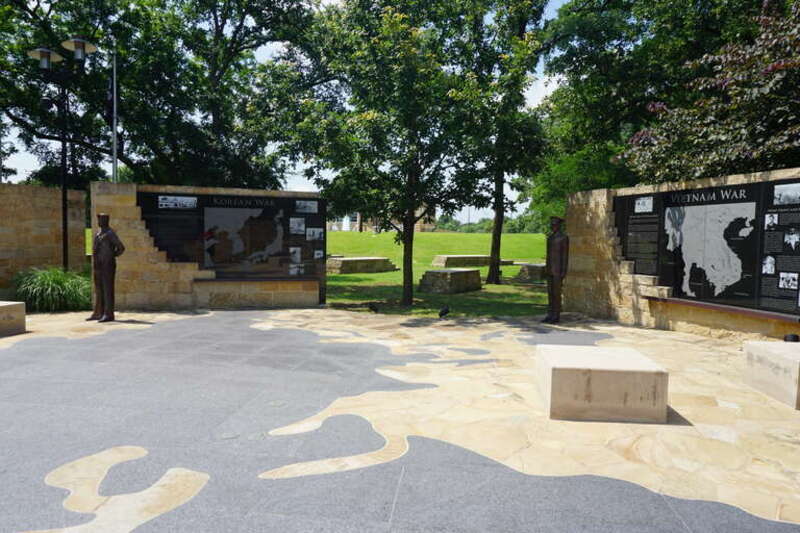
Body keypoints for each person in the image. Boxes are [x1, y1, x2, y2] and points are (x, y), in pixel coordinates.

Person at [87, 213, 125, 323]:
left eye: (100, 219)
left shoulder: (110, 233)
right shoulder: (98, 233)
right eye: (98, 219)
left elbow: (121, 248)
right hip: (98, 265)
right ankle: (98, 312)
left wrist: (111, 256)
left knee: (107, 289)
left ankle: (108, 314)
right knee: (99, 289)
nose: (98, 221)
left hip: (107, 265)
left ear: (105, 221)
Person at [542, 216, 569, 324]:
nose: (552, 227)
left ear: (559, 225)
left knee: (556, 294)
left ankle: (556, 315)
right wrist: (546, 268)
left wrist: (563, 271)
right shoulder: (550, 238)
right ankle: (550, 314)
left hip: (558, 270)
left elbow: (565, 256)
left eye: (554, 225)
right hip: (550, 270)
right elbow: (548, 255)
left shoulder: (564, 238)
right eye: (551, 225)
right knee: (550, 293)